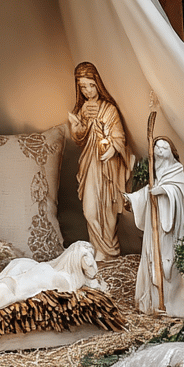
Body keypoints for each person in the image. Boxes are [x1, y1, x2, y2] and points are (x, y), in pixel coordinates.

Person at [124, 136, 184, 318]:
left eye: (164, 148)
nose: (160, 150)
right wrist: (133, 199)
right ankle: (154, 302)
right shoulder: (156, 171)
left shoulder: (177, 170)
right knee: (153, 257)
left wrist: (164, 191)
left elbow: (179, 192)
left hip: (169, 227)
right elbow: (148, 192)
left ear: (171, 151)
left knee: (168, 261)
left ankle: (174, 304)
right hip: (154, 224)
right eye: (157, 147)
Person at [67, 62, 132, 261]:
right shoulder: (83, 109)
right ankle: (98, 248)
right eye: (83, 87)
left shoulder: (109, 109)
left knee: (108, 209)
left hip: (108, 166)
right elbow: (79, 137)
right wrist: (77, 125)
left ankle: (109, 252)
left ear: (98, 84)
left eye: (91, 85)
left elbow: (119, 136)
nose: (87, 91)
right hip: (90, 164)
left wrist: (112, 149)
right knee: (90, 210)